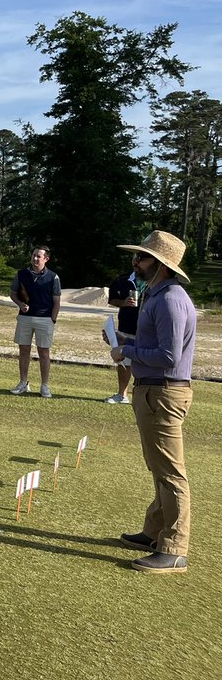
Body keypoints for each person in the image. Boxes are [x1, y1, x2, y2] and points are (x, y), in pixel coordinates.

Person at [110, 230, 197, 574]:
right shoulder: (158, 294)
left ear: (160, 265)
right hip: (153, 390)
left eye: (142, 258)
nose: (136, 262)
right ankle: (153, 532)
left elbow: (168, 355)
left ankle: (174, 547)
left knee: (171, 473)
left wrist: (127, 350)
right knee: (158, 467)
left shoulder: (171, 299)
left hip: (163, 391)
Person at [9, 245, 61, 398]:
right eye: (33, 255)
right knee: (24, 351)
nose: (35, 258)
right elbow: (13, 294)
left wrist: (53, 319)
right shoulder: (21, 274)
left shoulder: (53, 277)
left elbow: (56, 301)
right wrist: (20, 304)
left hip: (45, 319)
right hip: (25, 318)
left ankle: (45, 385)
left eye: (39, 256)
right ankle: (23, 382)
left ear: (46, 259)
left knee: (43, 352)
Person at [105, 266, 144, 404]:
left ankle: (142, 397)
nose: (136, 262)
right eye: (135, 258)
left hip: (146, 329)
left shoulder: (154, 281)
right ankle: (122, 395)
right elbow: (112, 299)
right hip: (126, 326)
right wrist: (124, 302)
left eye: (140, 259)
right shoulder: (123, 279)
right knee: (123, 362)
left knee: (145, 362)